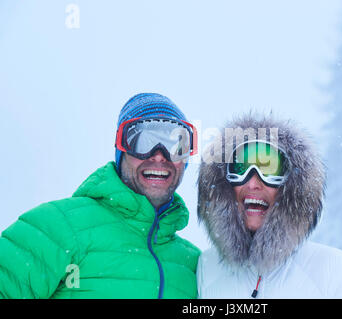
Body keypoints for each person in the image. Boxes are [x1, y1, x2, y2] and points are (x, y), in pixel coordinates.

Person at [0, 93, 200, 298]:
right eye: (143, 141)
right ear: (121, 151)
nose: (159, 155)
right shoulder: (57, 226)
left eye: (175, 145)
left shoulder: (194, 266)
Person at [196, 112, 342, 298]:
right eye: (240, 168)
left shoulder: (333, 269)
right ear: (224, 186)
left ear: (292, 188)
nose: (252, 184)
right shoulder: (207, 268)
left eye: (269, 169)